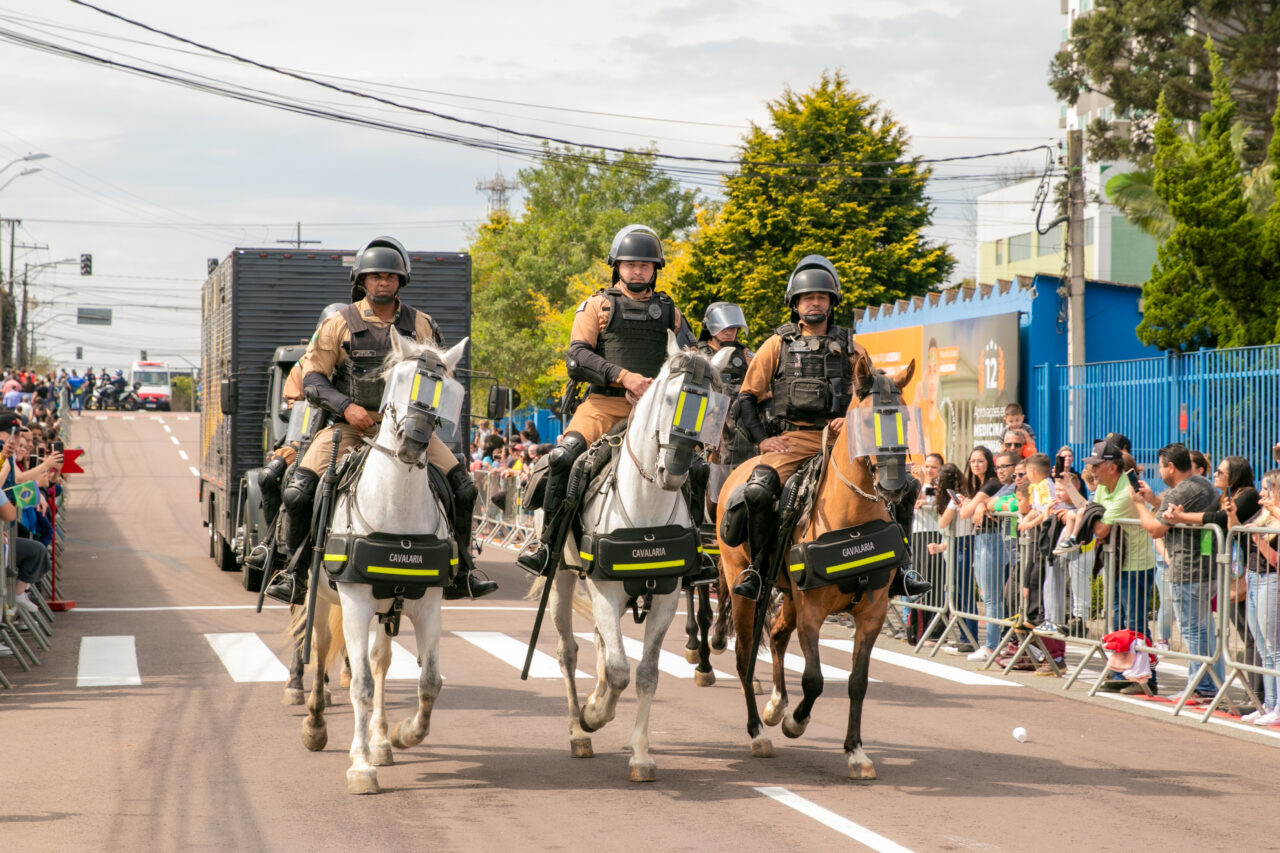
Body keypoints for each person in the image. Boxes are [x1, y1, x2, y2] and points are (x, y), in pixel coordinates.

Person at [265, 236, 496, 604]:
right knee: (298, 491)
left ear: (401, 280)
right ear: (362, 280)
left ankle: (462, 571)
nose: (383, 282)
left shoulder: (422, 324)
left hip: (409, 428)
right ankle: (294, 573)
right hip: (349, 427)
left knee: (464, 489)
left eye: (391, 276)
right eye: (375, 276)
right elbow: (312, 379)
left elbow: (440, 379)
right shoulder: (338, 324)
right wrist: (345, 407)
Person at [516, 224, 692, 576]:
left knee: (695, 467)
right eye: (630, 264)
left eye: (645, 265)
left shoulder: (671, 312)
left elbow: (689, 360)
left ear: (655, 269)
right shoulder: (597, 305)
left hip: (656, 412)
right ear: (618, 267)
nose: (638, 270)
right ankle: (548, 547)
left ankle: (695, 549)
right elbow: (577, 356)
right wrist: (623, 376)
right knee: (565, 458)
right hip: (602, 406)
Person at [720, 255, 866, 600]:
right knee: (757, 490)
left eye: (821, 297)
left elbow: (870, 395)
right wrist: (763, 441)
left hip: (842, 441)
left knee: (899, 485)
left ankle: (902, 569)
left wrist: (853, 418)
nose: (815, 303)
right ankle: (756, 568)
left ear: (832, 304)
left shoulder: (853, 348)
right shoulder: (777, 345)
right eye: (807, 298)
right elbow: (745, 400)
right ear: (796, 304)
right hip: (793, 440)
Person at [1156, 453, 1254, 703]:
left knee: (1246, 635)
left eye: (1221, 472)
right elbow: (1206, 522)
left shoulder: (1248, 496)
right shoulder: (1224, 496)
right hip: (1225, 569)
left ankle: (1249, 694)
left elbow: (1217, 521)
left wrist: (1178, 518)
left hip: (1246, 570)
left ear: (1235, 474)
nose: (1215, 475)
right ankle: (1211, 685)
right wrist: (1172, 511)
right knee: (1212, 630)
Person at [1086, 439, 1157, 688]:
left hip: (1136, 564)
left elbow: (1100, 527)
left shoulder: (1127, 491)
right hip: (1116, 563)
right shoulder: (1103, 487)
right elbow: (1093, 516)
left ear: (1112, 467)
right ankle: (1121, 673)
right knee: (1117, 622)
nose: (1092, 470)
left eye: (1096, 465)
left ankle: (1147, 678)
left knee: (1135, 625)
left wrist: (1090, 516)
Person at [964, 450, 1018, 660]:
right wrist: (981, 504)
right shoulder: (1003, 487)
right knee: (989, 596)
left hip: (995, 540)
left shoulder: (1002, 485)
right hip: (990, 540)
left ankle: (991, 646)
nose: (1000, 471)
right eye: (998, 467)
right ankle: (999, 643)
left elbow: (1007, 503)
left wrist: (981, 504)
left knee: (992, 598)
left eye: (1004, 467)